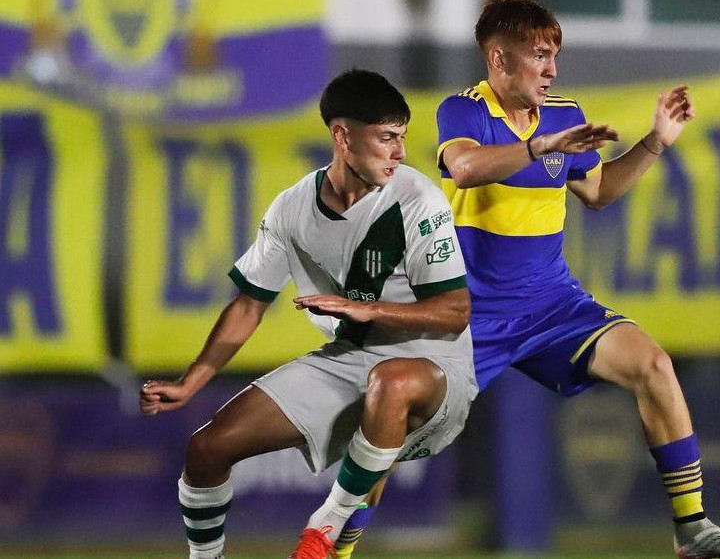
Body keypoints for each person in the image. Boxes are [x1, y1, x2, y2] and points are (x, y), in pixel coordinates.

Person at [331, 0, 720, 559]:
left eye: (554, 55)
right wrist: (539, 148)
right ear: (499, 59)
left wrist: (654, 144)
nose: (552, 68)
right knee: (386, 441)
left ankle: (692, 530)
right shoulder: (463, 110)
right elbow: (463, 169)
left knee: (653, 365)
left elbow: (600, 190)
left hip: (551, 305)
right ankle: (331, 550)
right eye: (539, 55)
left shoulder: (565, 115)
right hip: (469, 317)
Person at [138, 68, 478, 559]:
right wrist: (190, 382)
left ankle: (326, 526)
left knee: (391, 381)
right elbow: (249, 303)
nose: (399, 152)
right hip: (347, 359)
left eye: (401, 137)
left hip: (434, 368)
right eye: (386, 138)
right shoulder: (291, 209)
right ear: (342, 136)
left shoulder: (416, 199)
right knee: (207, 448)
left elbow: (455, 312)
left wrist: (364, 309)